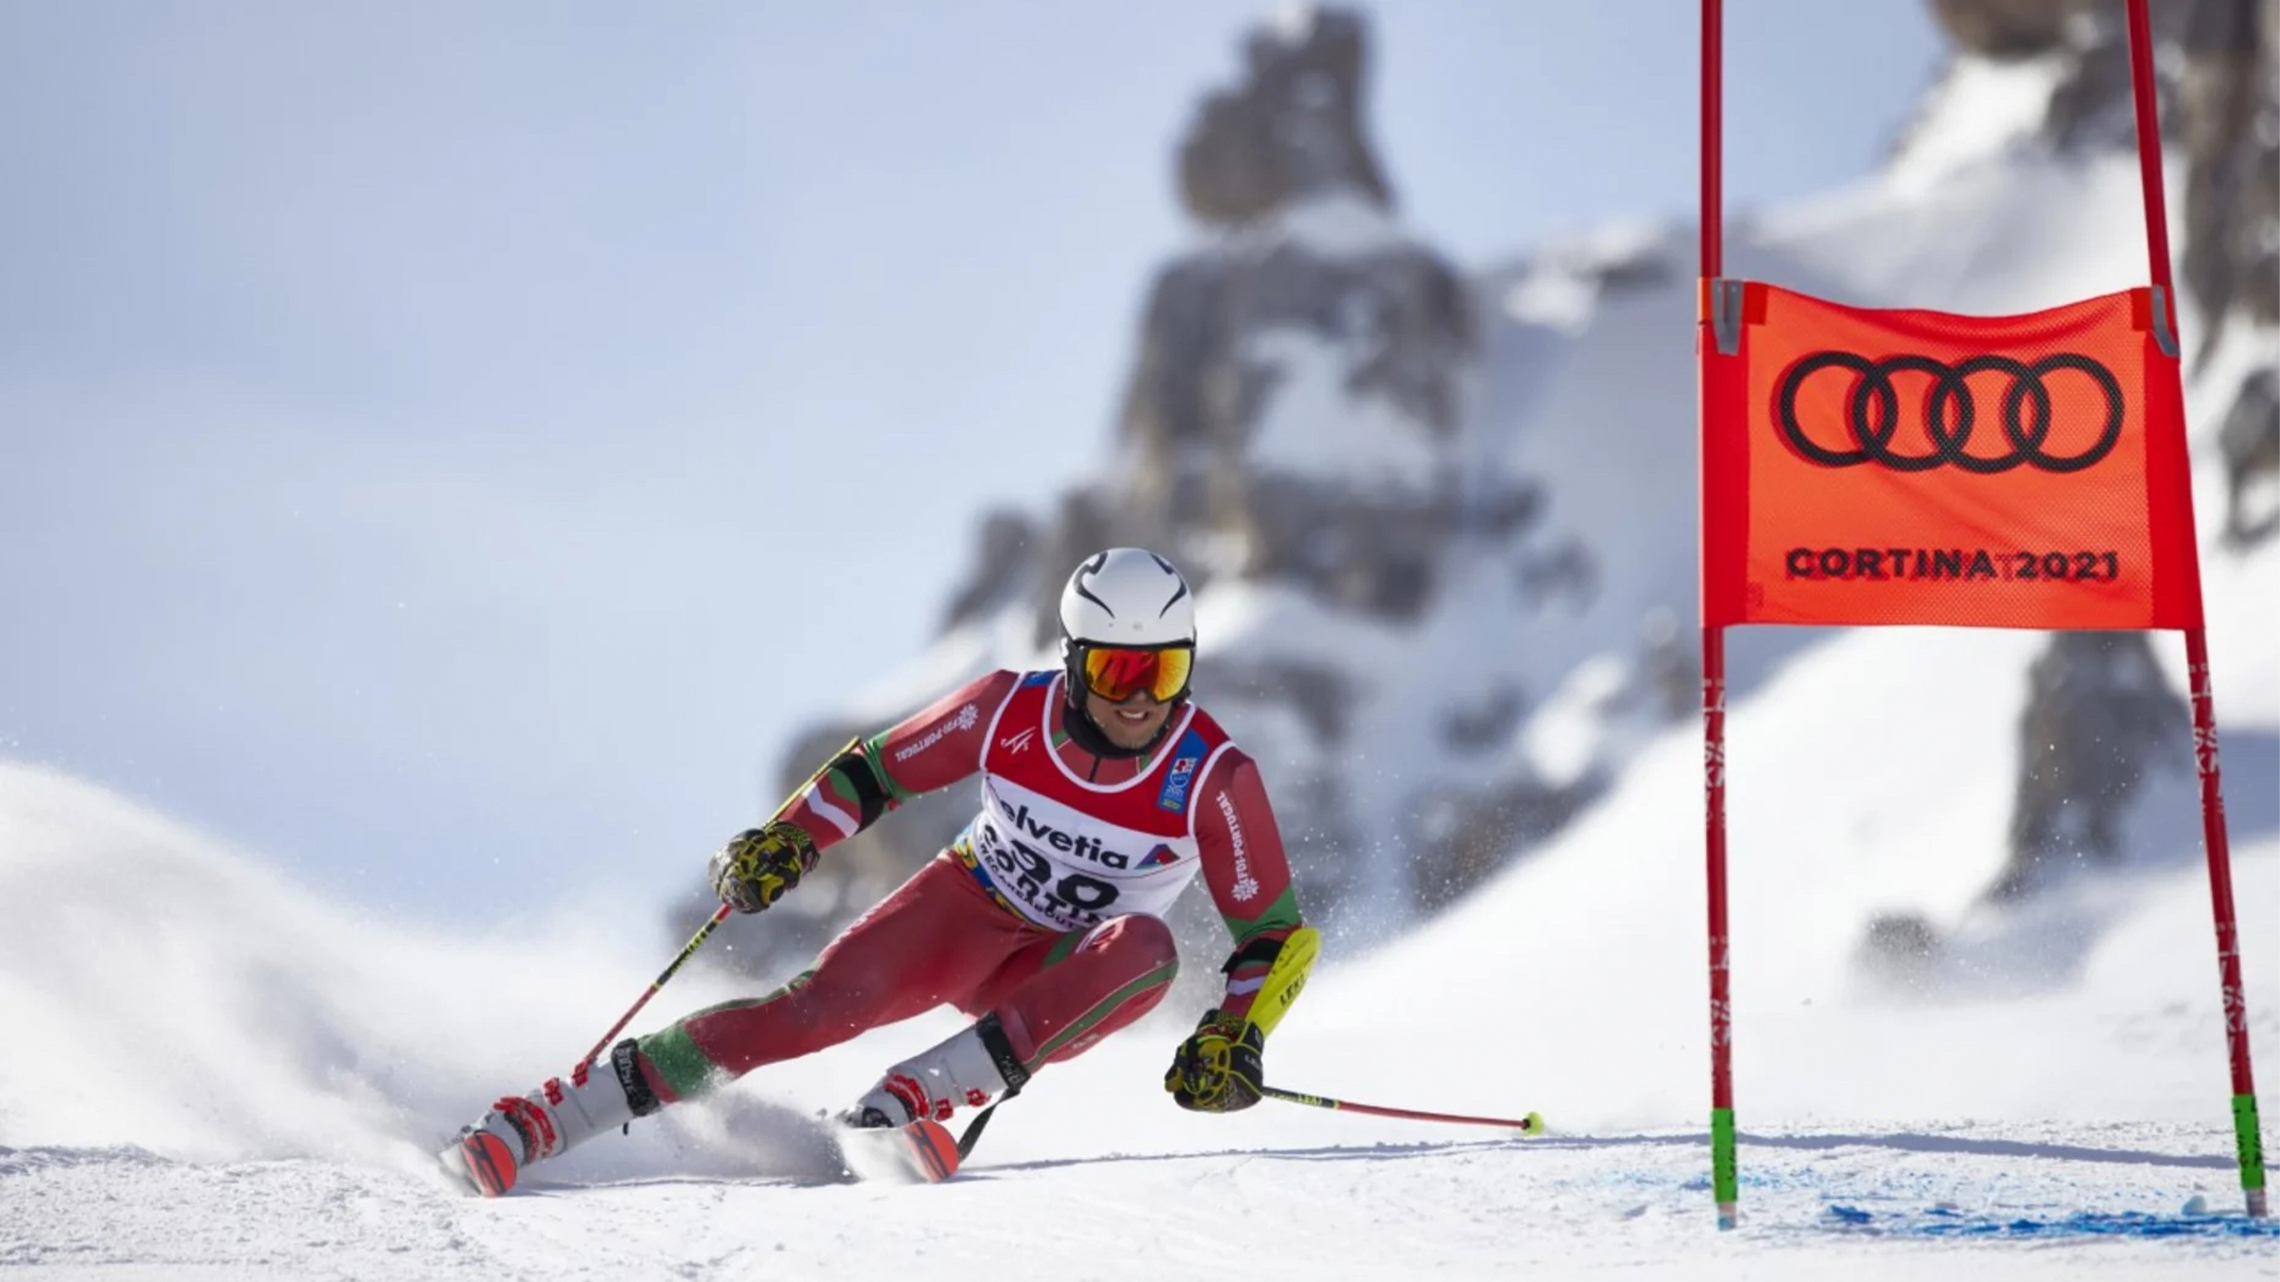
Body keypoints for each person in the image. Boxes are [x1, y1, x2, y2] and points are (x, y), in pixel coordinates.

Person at [445, 548, 1317, 1195]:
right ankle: (550, 1117)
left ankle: (902, 1106)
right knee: (809, 1013)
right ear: (1076, 661)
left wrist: (1236, 1036)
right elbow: (875, 771)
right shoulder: (1008, 708)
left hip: (1061, 973)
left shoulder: (1212, 776)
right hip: (964, 910)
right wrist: (787, 840)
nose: (1141, 696)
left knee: (1147, 949)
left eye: (1163, 669)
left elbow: (1274, 936)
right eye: (1118, 667)